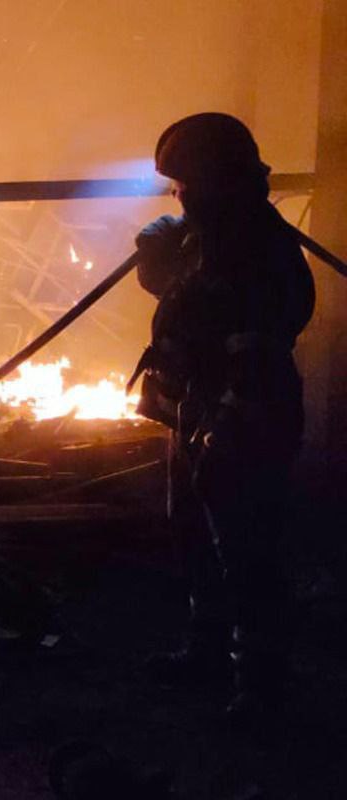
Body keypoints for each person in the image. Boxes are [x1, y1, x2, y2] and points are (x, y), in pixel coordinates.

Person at [129, 112, 315, 718]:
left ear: (215, 182)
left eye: (183, 185)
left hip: (245, 414)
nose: (177, 196)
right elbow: (177, 292)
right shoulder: (209, 235)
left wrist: (228, 428)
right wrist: (162, 249)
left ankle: (260, 684)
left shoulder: (259, 251)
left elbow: (259, 347)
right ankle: (206, 651)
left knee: (247, 549)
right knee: (196, 538)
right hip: (198, 406)